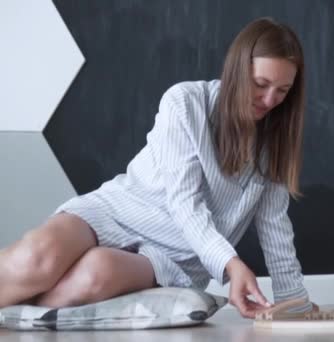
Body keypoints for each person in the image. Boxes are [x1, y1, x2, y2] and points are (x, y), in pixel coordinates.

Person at [0, 17, 312, 318]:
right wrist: (231, 264)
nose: (270, 99)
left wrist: (295, 303)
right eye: (261, 84)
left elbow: (275, 229)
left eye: (282, 91)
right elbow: (185, 204)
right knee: (35, 259)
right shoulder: (186, 103)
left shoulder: (273, 145)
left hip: (174, 258)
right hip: (116, 211)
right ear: (237, 71)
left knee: (91, 278)